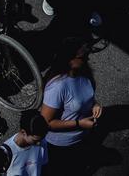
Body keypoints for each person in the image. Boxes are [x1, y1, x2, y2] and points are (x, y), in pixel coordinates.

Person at [39, 38, 102, 175]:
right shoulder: (58, 86)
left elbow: (83, 97)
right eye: (83, 56)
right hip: (61, 146)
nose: (87, 59)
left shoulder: (85, 73)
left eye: (87, 55)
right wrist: (79, 123)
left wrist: (95, 104)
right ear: (69, 58)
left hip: (82, 138)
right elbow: (46, 122)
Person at [3, 109, 49, 175]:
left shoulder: (42, 141)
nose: (39, 143)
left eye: (41, 139)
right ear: (23, 132)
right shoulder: (6, 152)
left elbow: (44, 165)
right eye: (35, 141)